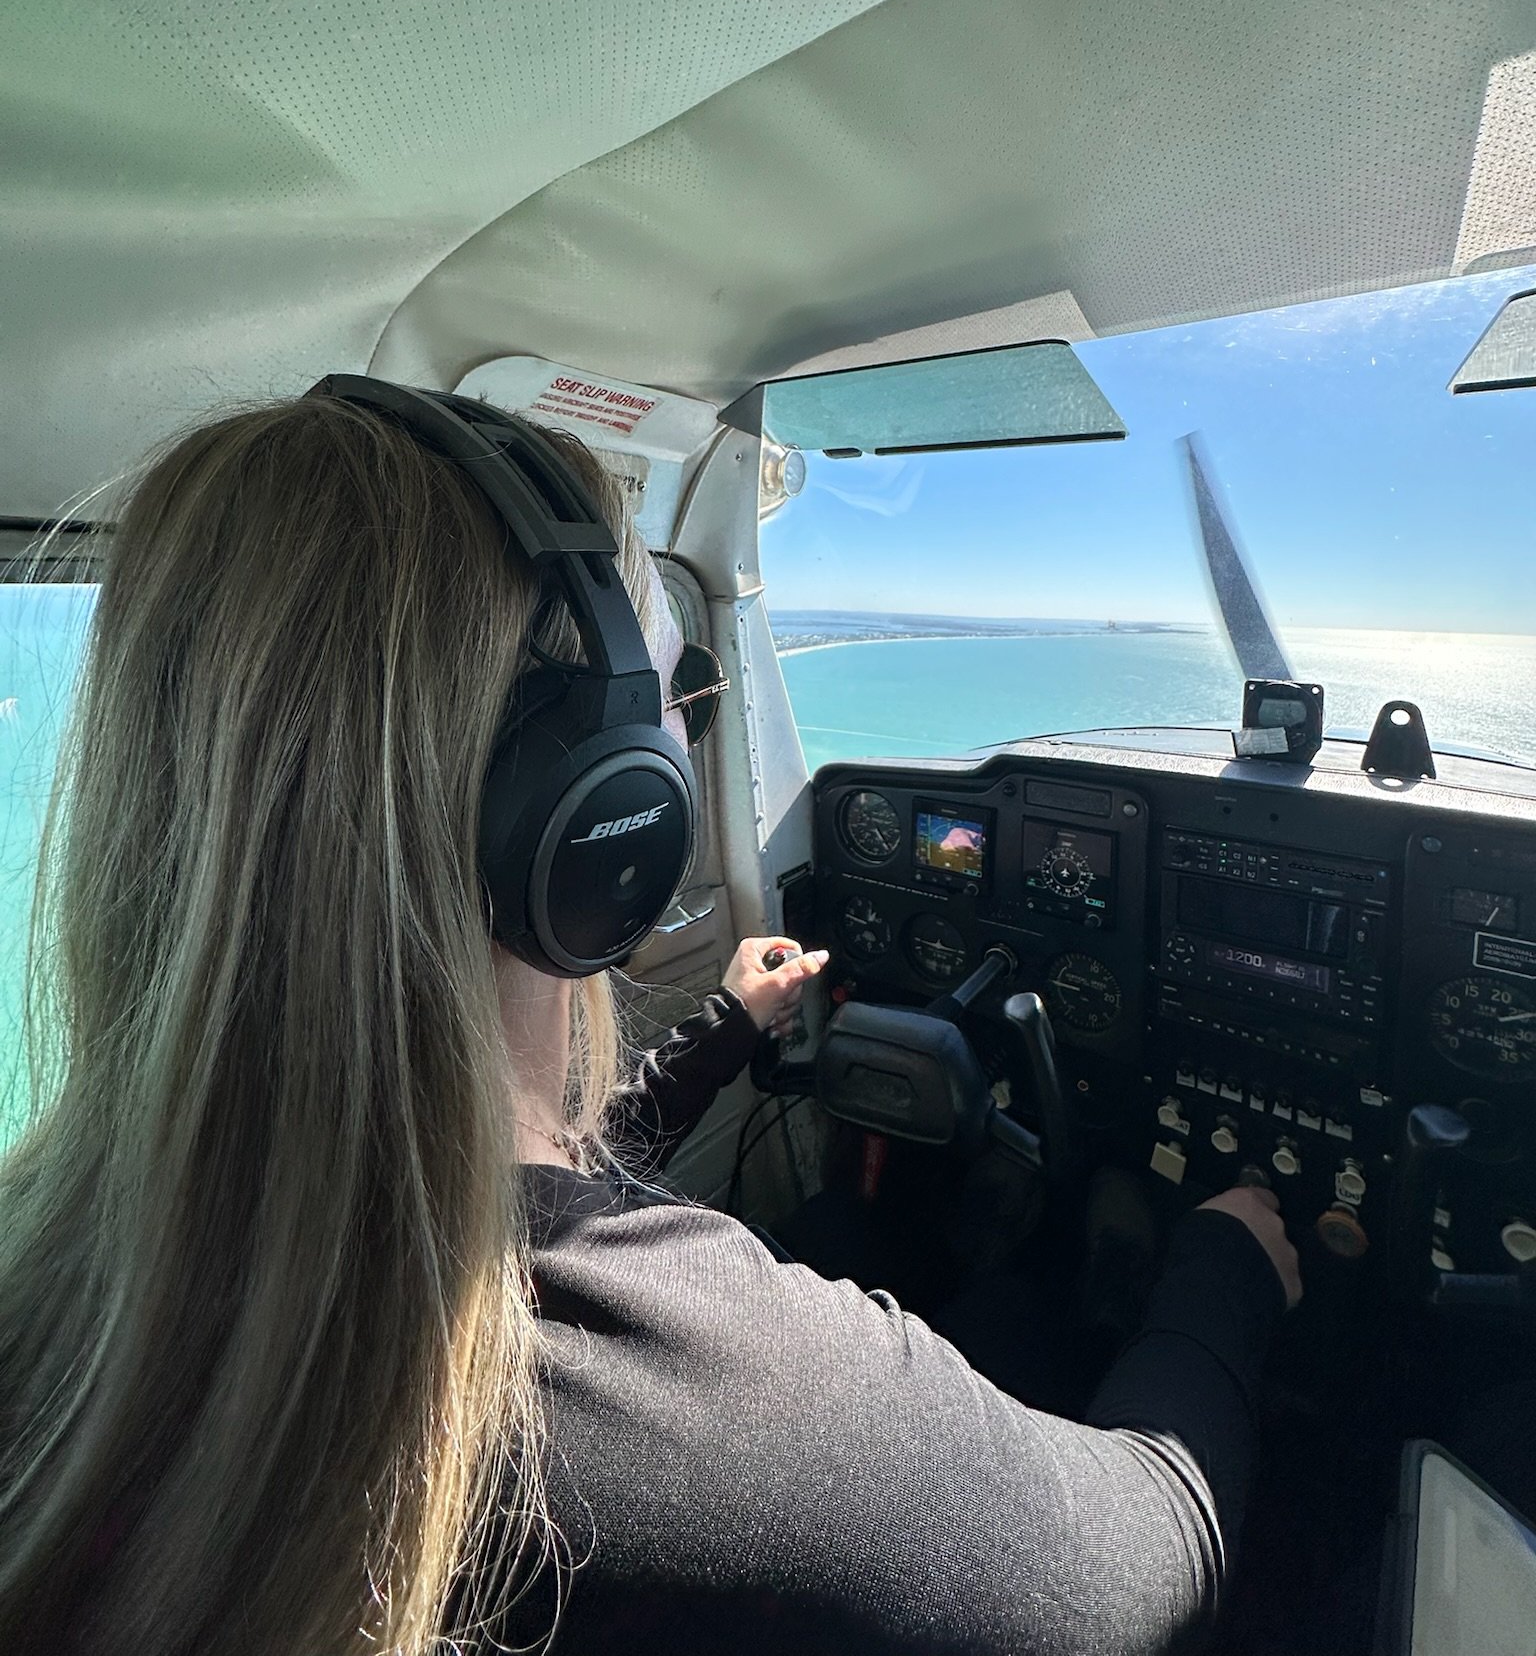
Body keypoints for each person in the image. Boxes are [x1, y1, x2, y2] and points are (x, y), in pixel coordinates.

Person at [0, 390, 1299, 1656]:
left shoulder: (63, 1263)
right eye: (679, 696)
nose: (683, 743)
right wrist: (1222, 1270)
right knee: (1021, 1322)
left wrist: (729, 1026)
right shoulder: (718, 1406)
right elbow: (1146, 1562)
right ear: (593, 816)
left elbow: (511, 1175)